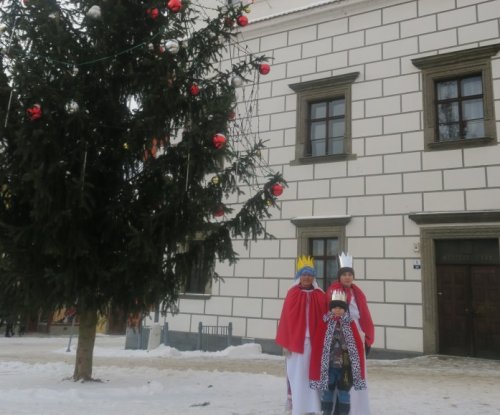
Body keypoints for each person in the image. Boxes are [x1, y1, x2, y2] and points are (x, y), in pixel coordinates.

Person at [276, 255, 327, 415]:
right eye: (304, 274)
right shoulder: (292, 293)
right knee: (297, 376)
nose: (307, 277)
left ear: (313, 277)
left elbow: (326, 319)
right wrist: (286, 343)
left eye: (310, 274)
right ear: (299, 276)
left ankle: (313, 407)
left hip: (314, 343)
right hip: (296, 344)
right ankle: (298, 407)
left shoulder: (320, 295)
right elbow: (285, 319)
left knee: (313, 374)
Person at [326, 252, 374, 415]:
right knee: (339, 374)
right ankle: (337, 408)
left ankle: (356, 408)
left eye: (350, 274)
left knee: (356, 373)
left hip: (358, 335)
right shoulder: (334, 291)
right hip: (340, 338)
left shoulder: (357, 292)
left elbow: (364, 315)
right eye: (344, 274)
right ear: (339, 277)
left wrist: (367, 338)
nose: (347, 277)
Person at [310, 290, 367, 415]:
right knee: (328, 390)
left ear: (345, 309)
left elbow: (355, 345)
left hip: (345, 367)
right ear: (331, 309)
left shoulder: (349, 323)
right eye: (335, 307)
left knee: (344, 392)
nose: (337, 310)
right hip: (329, 366)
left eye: (340, 308)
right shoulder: (325, 323)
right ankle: (326, 411)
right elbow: (319, 344)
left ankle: (343, 412)